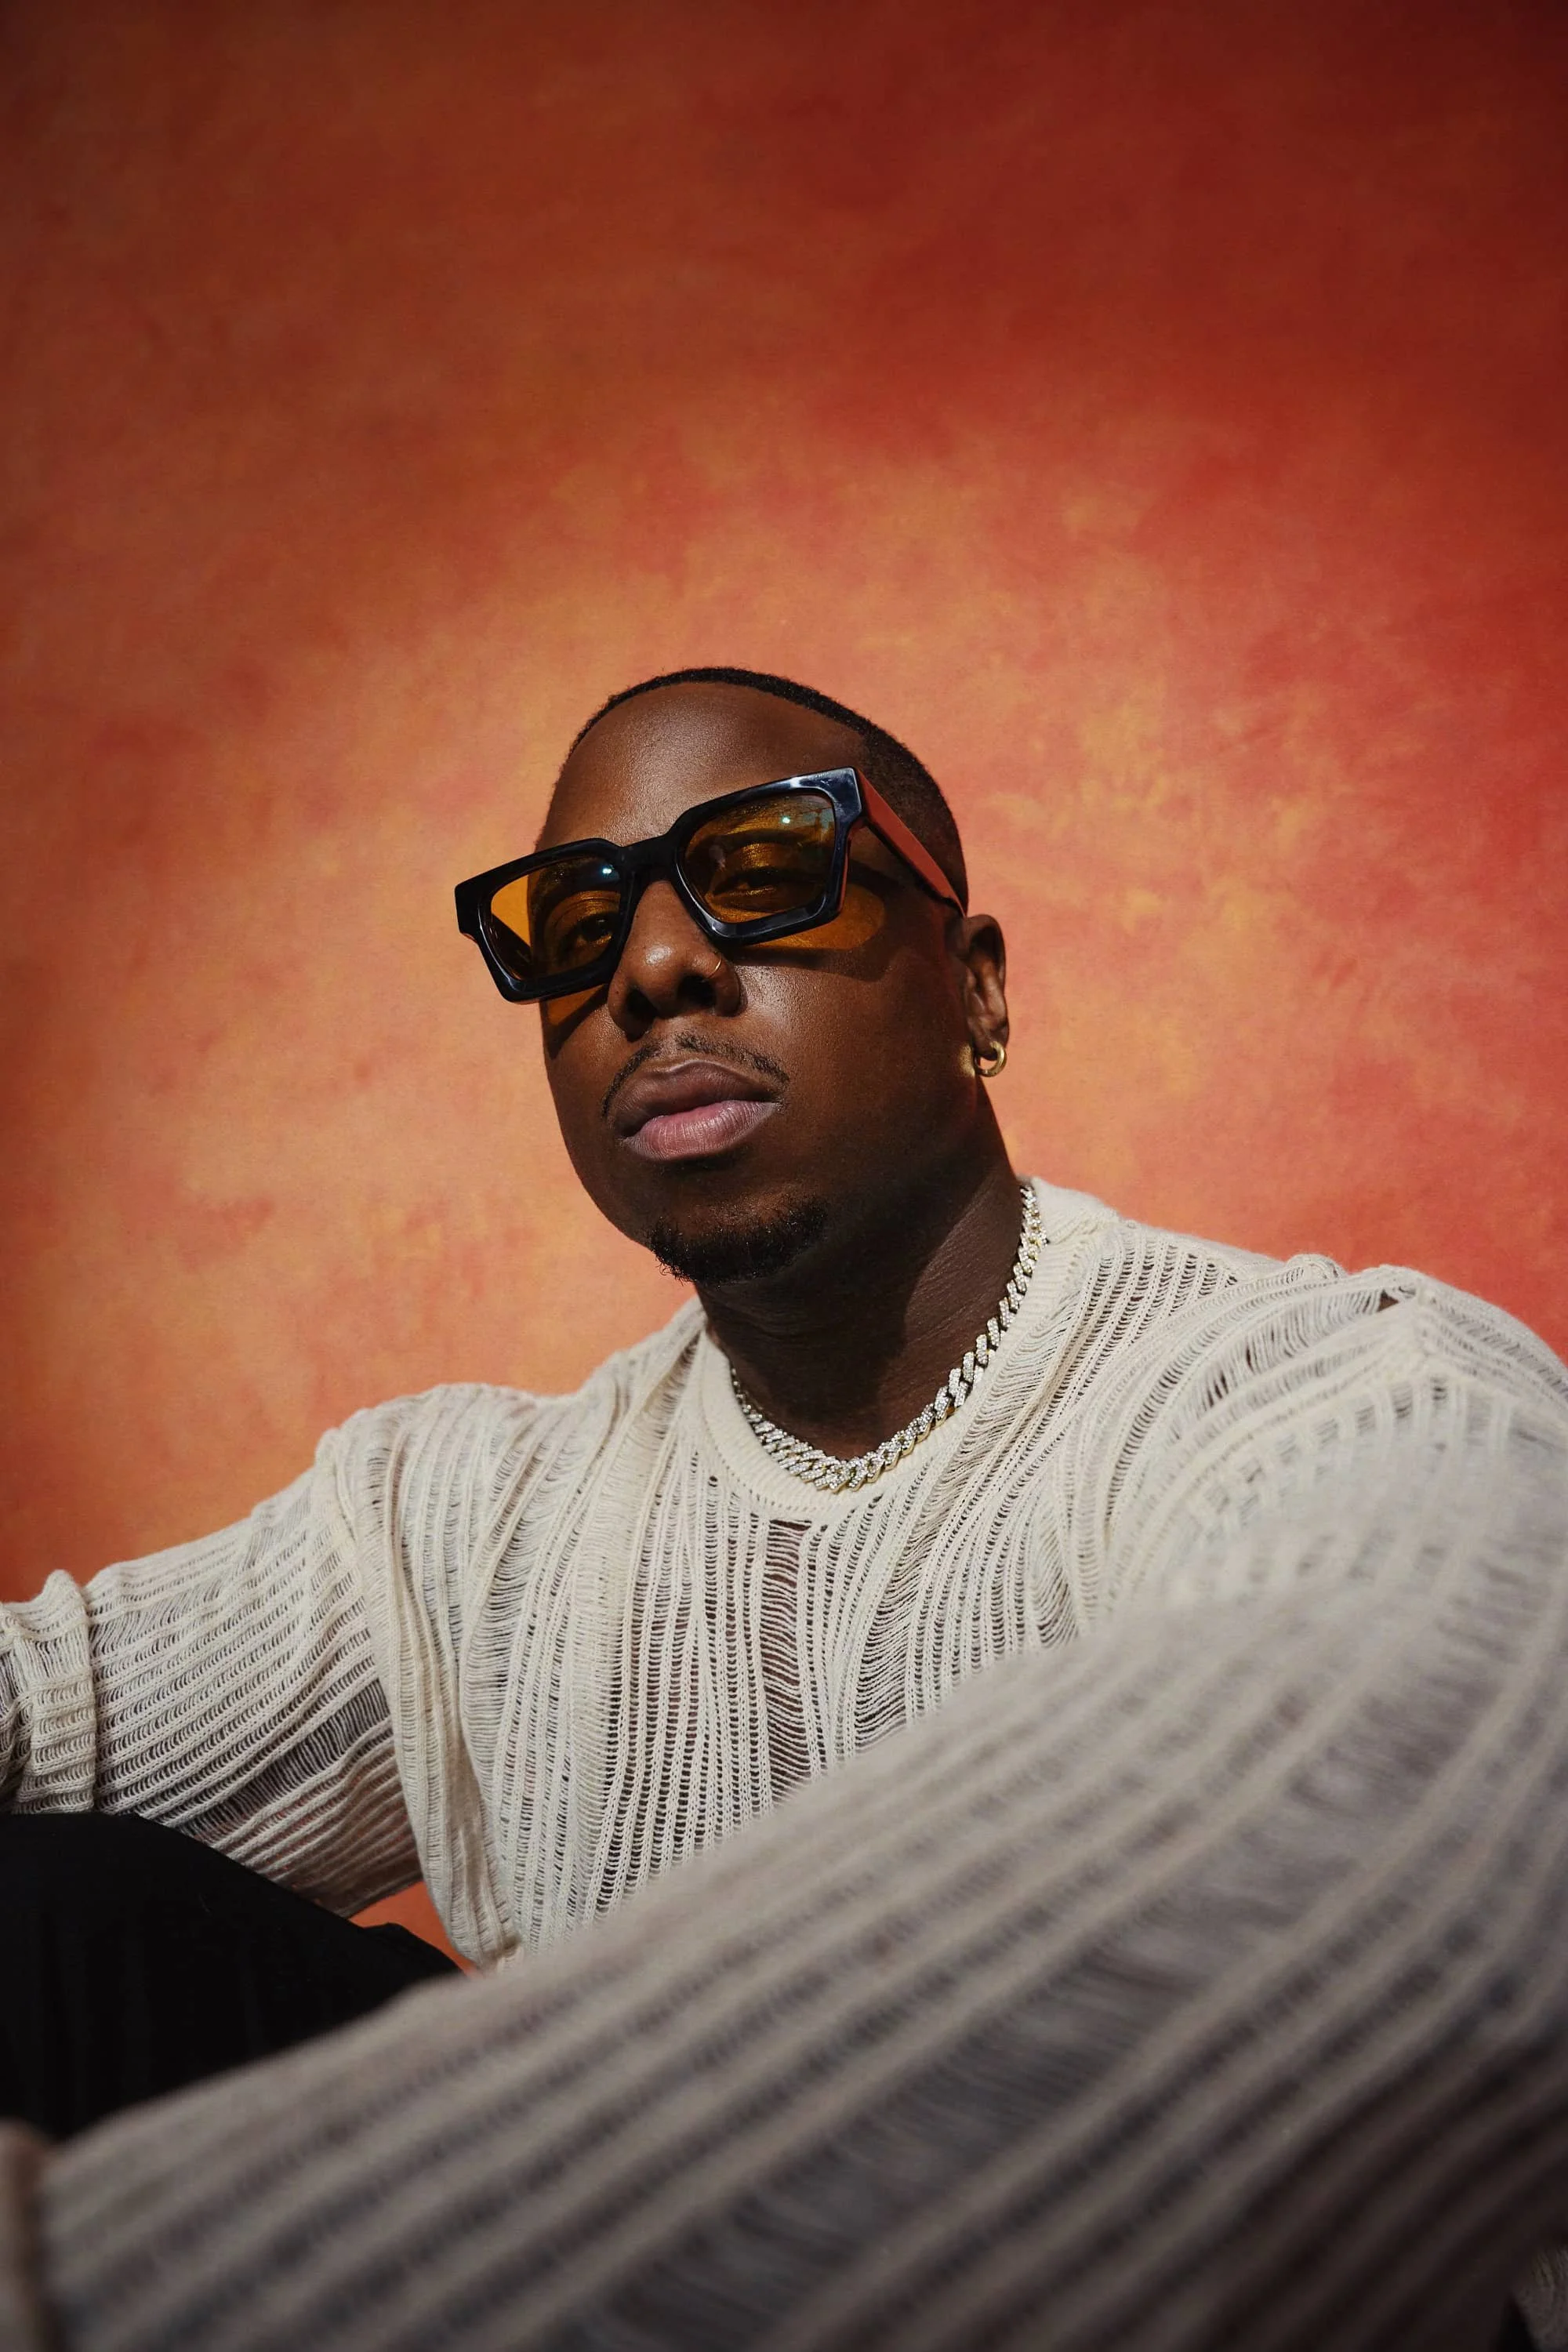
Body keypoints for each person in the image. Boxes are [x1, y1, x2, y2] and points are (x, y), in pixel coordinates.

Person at [2, 667, 1567, 2350]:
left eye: (761, 869)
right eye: (578, 925)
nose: (652, 967)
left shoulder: (1340, 1386)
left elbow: (1398, 1787)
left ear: (977, 988)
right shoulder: (459, 1522)